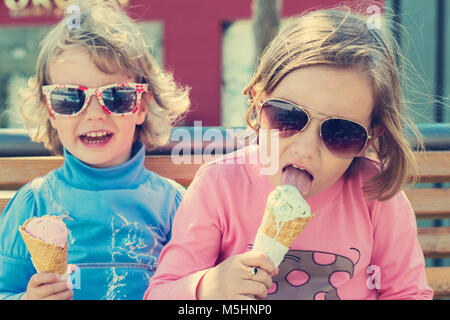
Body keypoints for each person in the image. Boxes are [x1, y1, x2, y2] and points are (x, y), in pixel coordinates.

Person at [145, 6, 433, 300]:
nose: (306, 148)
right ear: (258, 102)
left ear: (370, 138)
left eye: (341, 133)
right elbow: (159, 294)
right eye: (288, 117)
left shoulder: (376, 197)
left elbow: (408, 292)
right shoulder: (220, 185)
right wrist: (206, 288)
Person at [0, 0, 190, 300]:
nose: (93, 114)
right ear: (50, 110)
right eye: (68, 97)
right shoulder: (33, 204)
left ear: (141, 106)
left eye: (116, 96)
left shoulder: (174, 205)